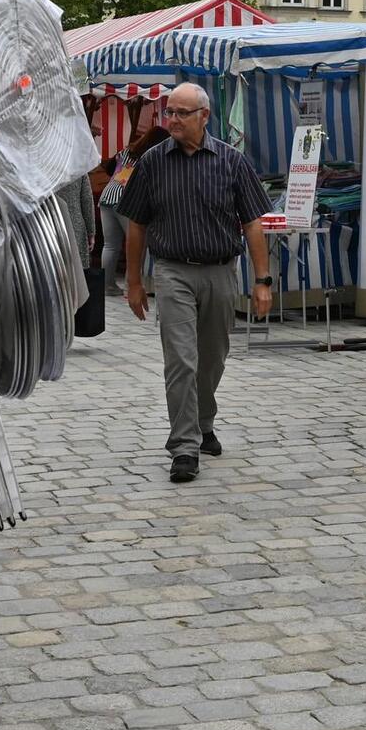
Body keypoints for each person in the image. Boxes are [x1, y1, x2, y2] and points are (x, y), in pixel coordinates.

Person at [118, 82, 273, 483]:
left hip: (221, 270)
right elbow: (136, 224)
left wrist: (262, 280)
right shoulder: (152, 162)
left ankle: (204, 422)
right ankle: (184, 447)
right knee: (181, 361)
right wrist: (134, 282)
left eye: (181, 113)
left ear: (204, 116)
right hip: (172, 272)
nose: (172, 120)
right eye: (169, 112)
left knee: (213, 357)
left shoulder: (232, 162)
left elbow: (253, 222)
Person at [97, 119, 170, 278]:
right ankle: (131, 286)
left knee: (110, 245)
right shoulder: (150, 157)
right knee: (136, 245)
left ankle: (107, 286)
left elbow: (109, 168)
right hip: (127, 200)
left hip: (107, 196)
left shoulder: (125, 151)